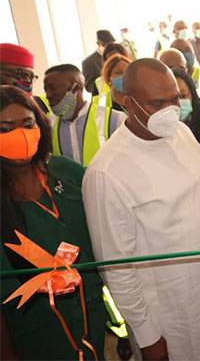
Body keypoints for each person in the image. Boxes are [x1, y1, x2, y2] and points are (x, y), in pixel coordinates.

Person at [82, 58, 200, 360]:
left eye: (175, 99)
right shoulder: (107, 172)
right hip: (169, 316)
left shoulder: (180, 133)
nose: (171, 110)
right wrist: (147, 336)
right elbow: (115, 266)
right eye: (158, 103)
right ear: (128, 103)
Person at [0, 86, 105, 359]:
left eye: (27, 124)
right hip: (33, 330)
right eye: (5, 129)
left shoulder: (65, 172)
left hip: (89, 314)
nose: (20, 135)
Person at [42, 64, 126, 166]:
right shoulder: (47, 124)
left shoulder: (114, 120)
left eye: (53, 88)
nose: (48, 95)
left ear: (75, 88)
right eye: (46, 89)